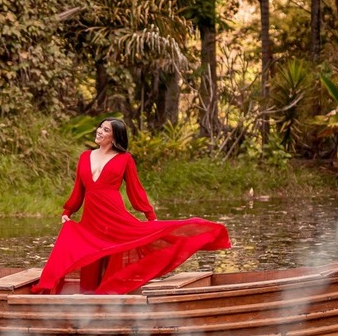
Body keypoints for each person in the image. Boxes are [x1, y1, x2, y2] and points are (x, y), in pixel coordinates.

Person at [32, 118, 230, 295]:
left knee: (116, 251)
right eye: (100, 127)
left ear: (115, 136)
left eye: (106, 130)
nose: (99, 131)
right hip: (91, 217)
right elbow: (79, 190)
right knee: (83, 251)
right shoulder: (85, 157)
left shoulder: (124, 159)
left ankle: (108, 293)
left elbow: (136, 190)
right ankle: (87, 295)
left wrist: (151, 217)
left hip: (114, 216)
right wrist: (68, 211)